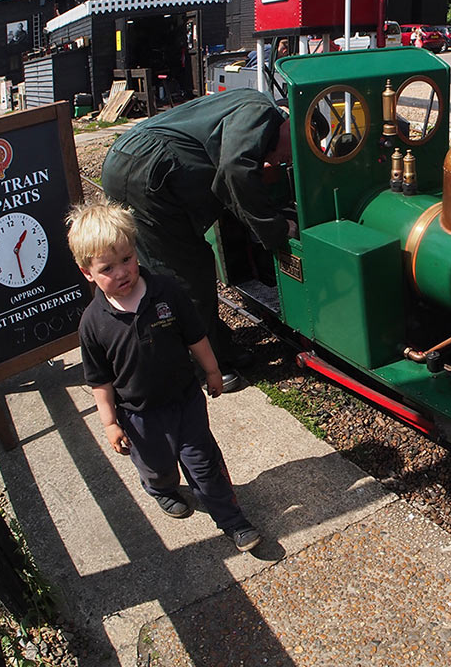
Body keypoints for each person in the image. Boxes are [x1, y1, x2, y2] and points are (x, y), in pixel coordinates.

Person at [68, 199, 262, 553]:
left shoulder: (166, 292)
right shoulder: (93, 324)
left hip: (185, 400)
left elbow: (195, 336)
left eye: (127, 259)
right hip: (138, 415)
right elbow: (100, 380)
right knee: (157, 466)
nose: (122, 272)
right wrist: (110, 423)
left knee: (204, 465)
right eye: (107, 268)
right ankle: (160, 488)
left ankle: (233, 521)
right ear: (87, 272)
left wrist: (212, 369)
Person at [101, 89, 296, 385]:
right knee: (184, 273)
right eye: (294, 149)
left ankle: (216, 346)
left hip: (139, 162)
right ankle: (203, 366)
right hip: (148, 171)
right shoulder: (262, 111)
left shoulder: (250, 104)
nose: (288, 159)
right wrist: (276, 229)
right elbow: (234, 169)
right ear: (290, 122)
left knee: (189, 265)